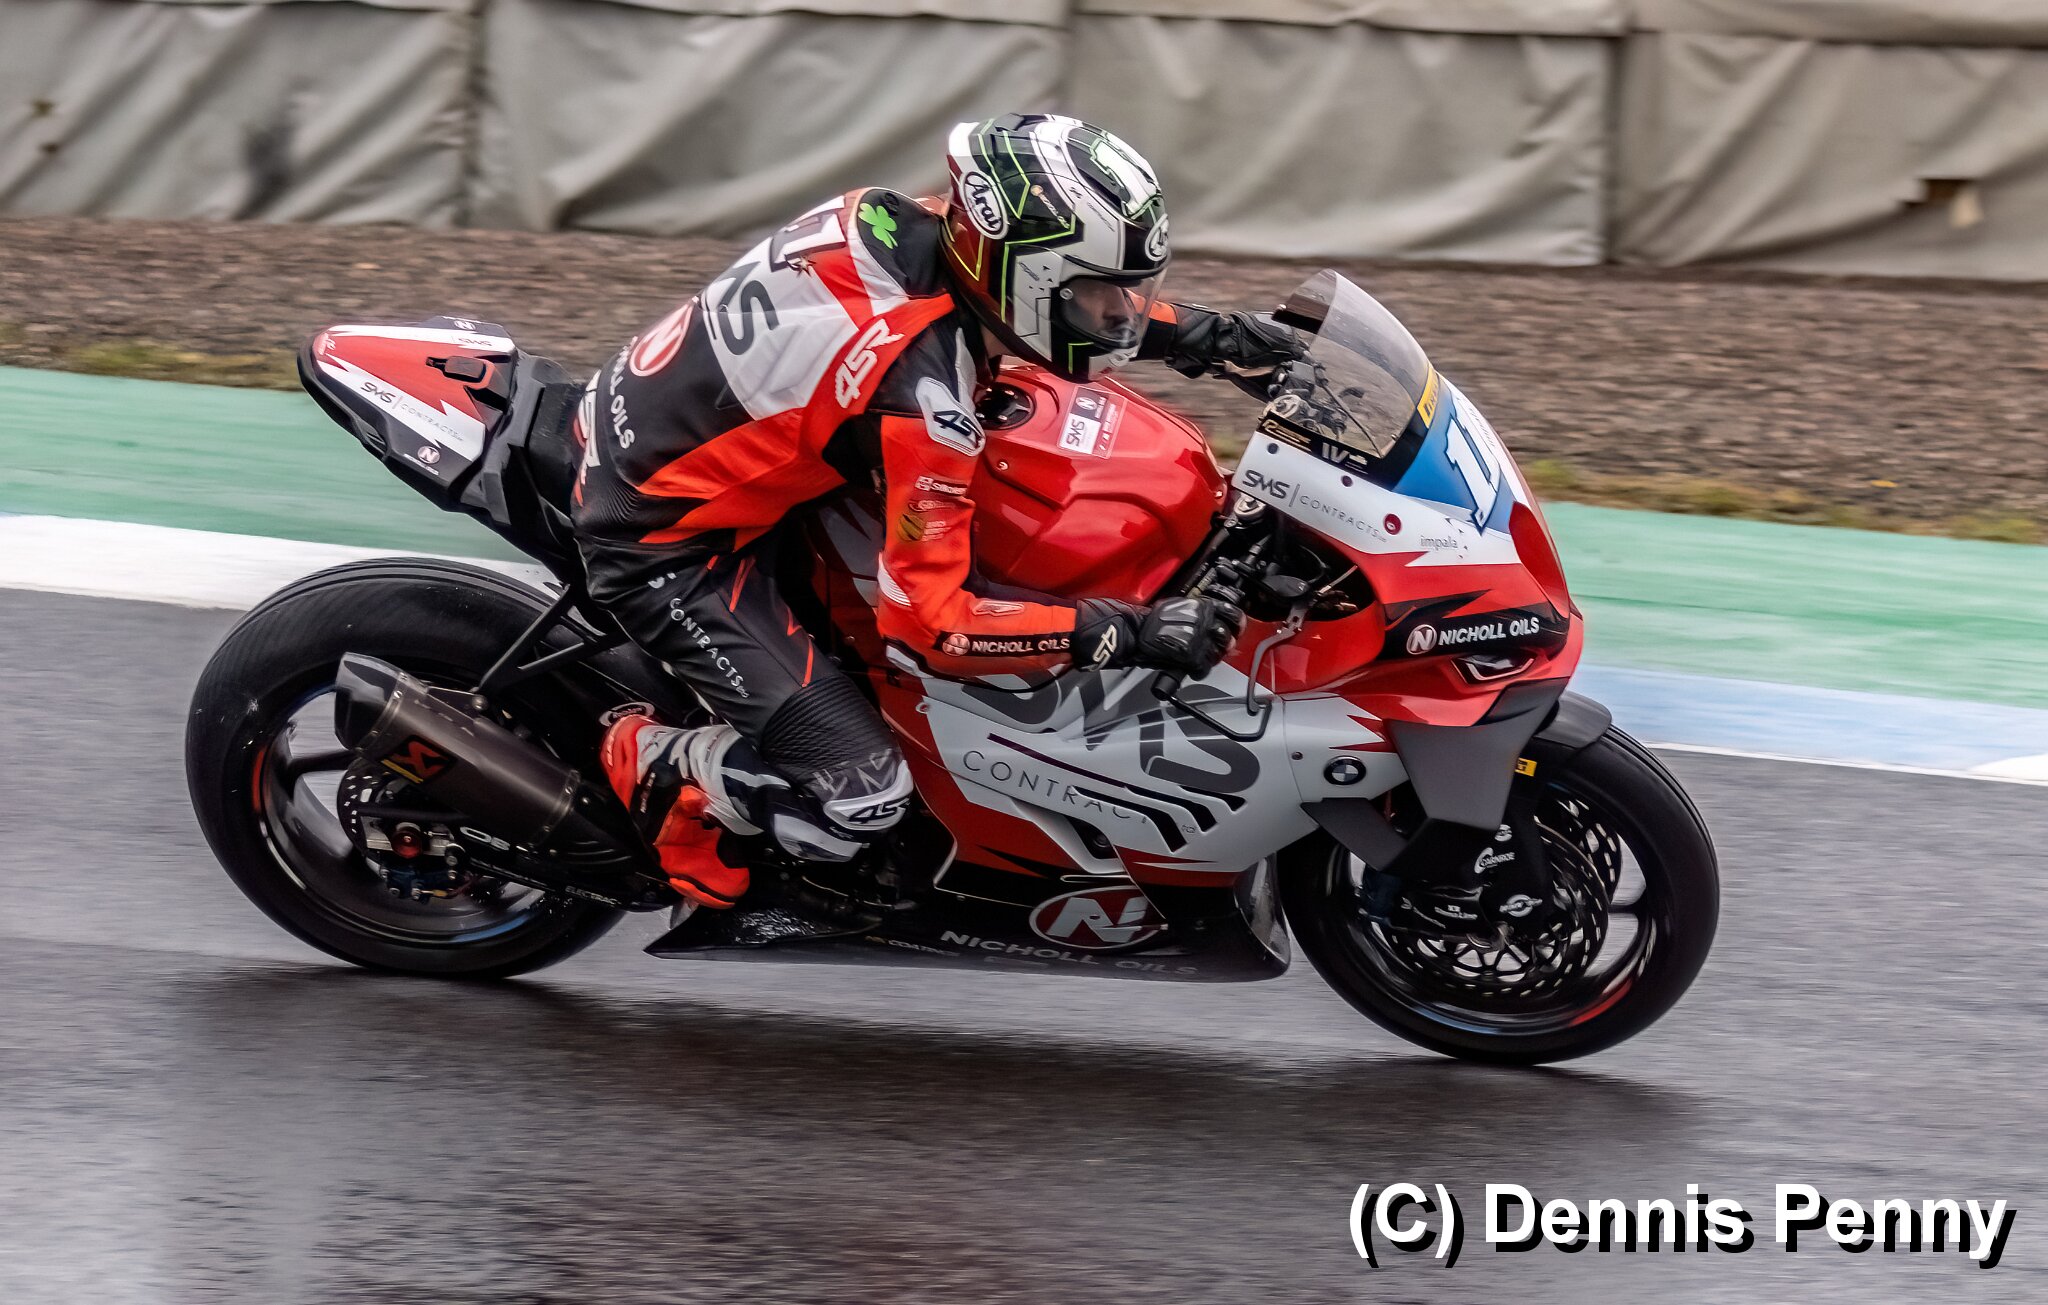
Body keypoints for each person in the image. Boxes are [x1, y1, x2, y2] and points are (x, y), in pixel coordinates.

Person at [572, 113, 1301, 910]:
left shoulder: (905, 220)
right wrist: (1125, 630)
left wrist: (1214, 336)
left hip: (670, 424)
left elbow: (1033, 305)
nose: (1118, 310)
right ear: (1022, 273)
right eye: (1096, 291)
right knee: (863, 797)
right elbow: (933, 627)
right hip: (668, 542)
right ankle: (659, 762)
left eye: (1125, 290)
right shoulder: (924, 401)